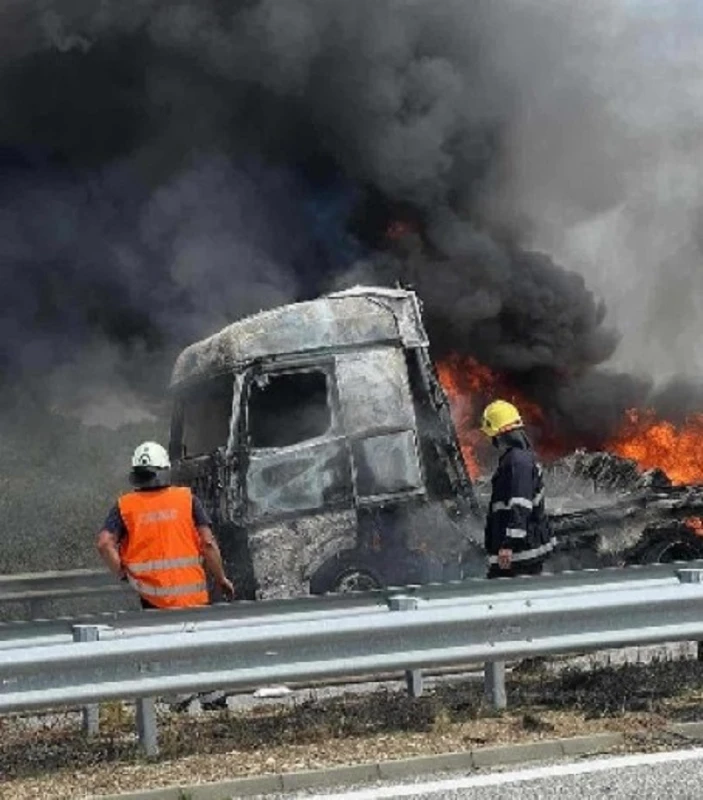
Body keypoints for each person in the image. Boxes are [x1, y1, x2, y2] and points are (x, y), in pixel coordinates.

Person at [96, 441, 234, 608]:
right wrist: (221, 578)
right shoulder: (187, 499)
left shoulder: (124, 505)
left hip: (152, 602)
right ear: (164, 470)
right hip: (193, 600)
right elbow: (208, 543)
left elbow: (104, 543)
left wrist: (122, 572)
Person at [480, 400, 556, 579]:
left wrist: (508, 545)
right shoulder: (517, 458)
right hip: (518, 553)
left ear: (500, 434)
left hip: (519, 555)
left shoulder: (517, 461)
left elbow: (520, 505)